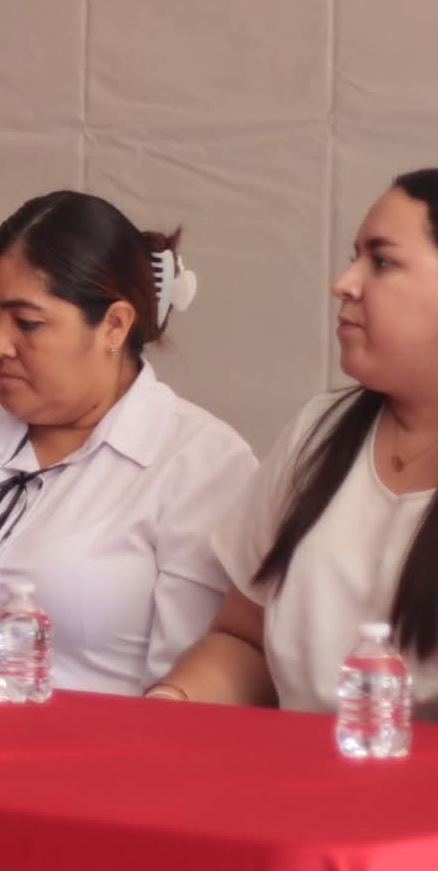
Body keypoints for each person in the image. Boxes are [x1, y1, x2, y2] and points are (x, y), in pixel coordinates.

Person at [0, 191, 257, 694]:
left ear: (114, 325)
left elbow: (190, 678)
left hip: (97, 764)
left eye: (28, 323)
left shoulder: (197, 465)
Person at [153, 170, 438, 712]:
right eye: (356, 256)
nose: (344, 282)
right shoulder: (317, 431)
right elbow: (244, 640)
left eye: (381, 261)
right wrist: (172, 702)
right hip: (293, 785)